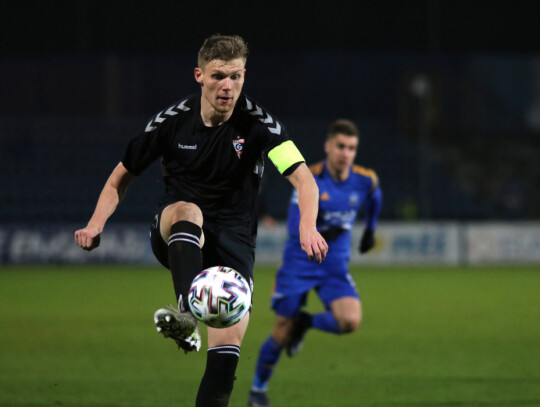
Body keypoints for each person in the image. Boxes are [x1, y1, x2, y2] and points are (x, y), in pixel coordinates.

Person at [74, 34, 328, 407]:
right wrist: (96, 224)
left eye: (237, 77)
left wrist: (307, 226)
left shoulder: (260, 125)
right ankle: (186, 314)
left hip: (235, 241)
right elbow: (120, 177)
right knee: (188, 210)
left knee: (225, 360)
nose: (228, 86)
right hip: (177, 230)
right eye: (218, 76)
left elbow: (304, 178)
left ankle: (194, 328)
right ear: (199, 75)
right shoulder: (171, 122)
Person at [248, 119, 382, 407]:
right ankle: (257, 391)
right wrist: (322, 228)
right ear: (328, 147)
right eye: (341, 147)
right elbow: (296, 225)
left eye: (351, 148)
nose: (346, 153)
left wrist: (370, 230)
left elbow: (375, 195)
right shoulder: (310, 177)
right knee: (281, 331)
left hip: (334, 268)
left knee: (350, 321)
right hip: (299, 265)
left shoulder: (364, 179)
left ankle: (305, 323)